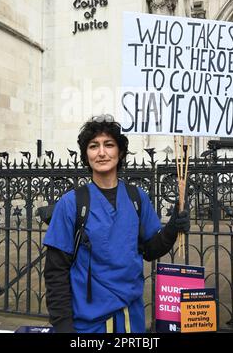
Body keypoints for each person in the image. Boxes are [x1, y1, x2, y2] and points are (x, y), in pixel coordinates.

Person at [43, 115, 190, 333]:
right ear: (86, 154)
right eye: (94, 146)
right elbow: (56, 272)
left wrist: (173, 227)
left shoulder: (136, 198)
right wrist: (64, 326)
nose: (101, 152)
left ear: (119, 152)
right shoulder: (71, 203)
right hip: (88, 325)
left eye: (109, 145)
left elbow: (150, 249)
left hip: (132, 321)